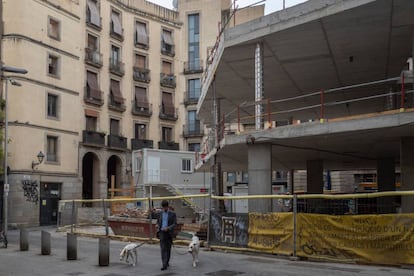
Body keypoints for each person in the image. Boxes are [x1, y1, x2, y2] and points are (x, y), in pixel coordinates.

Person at [157, 200, 177, 271]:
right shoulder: (160, 213)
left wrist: (168, 228)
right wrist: (158, 228)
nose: (164, 209)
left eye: (165, 207)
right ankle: (164, 264)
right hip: (162, 233)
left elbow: (175, 223)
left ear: (168, 206)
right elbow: (158, 222)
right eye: (163, 208)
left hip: (169, 233)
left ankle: (167, 261)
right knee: (163, 249)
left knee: (168, 249)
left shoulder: (173, 214)